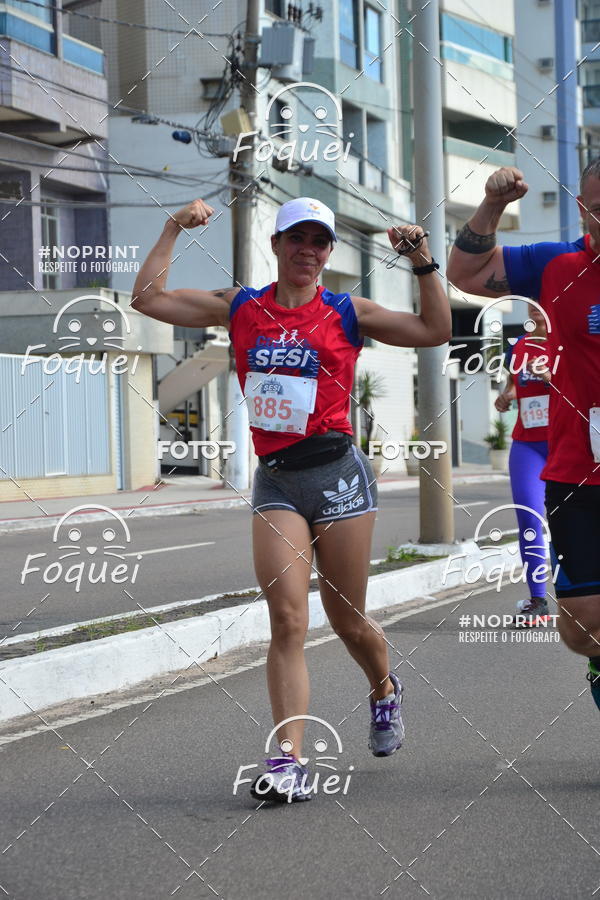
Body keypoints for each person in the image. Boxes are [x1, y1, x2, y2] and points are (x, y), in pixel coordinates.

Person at [132, 196, 451, 801]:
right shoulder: (242, 307)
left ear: (329, 253)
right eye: (297, 238)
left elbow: (435, 331)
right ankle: (286, 760)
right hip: (276, 479)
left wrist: (424, 263)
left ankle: (384, 689)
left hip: (337, 475)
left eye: (320, 241)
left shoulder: (346, 311)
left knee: (348, 621)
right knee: (287, 620)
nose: (309, 250)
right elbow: (147, 299)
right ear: (276, 246)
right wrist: (173, 227)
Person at [447, 162, 600, 711]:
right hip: (576, 471)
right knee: (582, 628)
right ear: (583, 209)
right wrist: (491, 205)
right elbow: (465, 274)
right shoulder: (557, 264)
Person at [495, 303, 551, 626]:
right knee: (530, 519)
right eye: (531, 305)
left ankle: (584, 598)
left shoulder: (569, 342)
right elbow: (514, 385)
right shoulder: (517, 346)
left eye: (541, 306)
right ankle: (538, 601)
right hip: (527, 444)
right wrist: (507, 396)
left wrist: (552, 378)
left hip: (566, 444)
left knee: (573, 521)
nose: (535, 312)